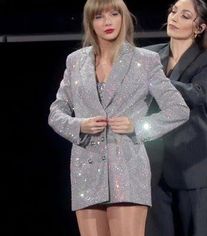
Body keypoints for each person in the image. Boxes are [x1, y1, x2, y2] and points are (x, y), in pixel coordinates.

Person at [48, 0, 190, 235]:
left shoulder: (145, 60)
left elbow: (178, 109)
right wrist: (79, 125)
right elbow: (56, 112)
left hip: (128, 168)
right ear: (90, 22)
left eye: (114, 14)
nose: (108, 22)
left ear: (124, 18)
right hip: (87, 168)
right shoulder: (75, 61)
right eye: (99, 16)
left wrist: (138, 126)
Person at [144, 0, 207, 236]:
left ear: (199, 27)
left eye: (184, 15)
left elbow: (200, 95)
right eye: (173, 11)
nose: (174, 17)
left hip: (197, 169)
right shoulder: (148, 56)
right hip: (153, 170)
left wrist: (159, 82)